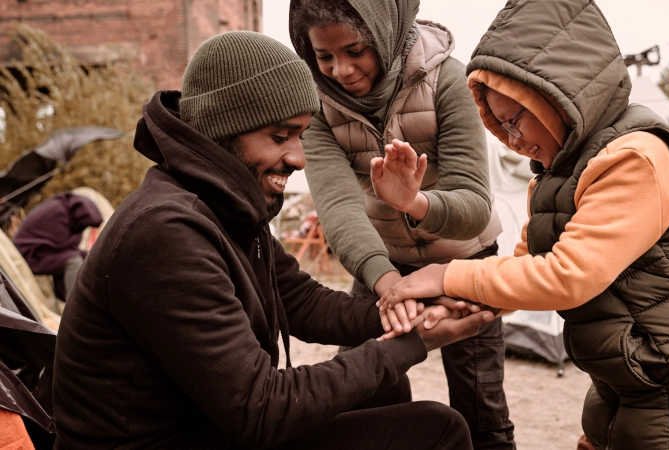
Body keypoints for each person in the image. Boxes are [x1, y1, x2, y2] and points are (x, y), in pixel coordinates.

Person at [376, 0, 669, 448]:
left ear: (558, 94)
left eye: (515, 118)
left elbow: (567, 275)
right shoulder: (562, 171)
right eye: (499, 125)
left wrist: (445, 273)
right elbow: (527, 267)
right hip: (646, 373)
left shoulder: (634, 158)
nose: (512, 138)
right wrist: (456, 304)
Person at [51, 31, 496, 450]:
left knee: (386, 382)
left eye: (301, 136)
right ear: (224, 132)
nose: (298, 158)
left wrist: (414, 314)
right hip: (158, 441)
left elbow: (301, 302)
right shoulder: (165, 232)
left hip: (205, 426)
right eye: (280, 136)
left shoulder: (223, 205)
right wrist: (414, 342)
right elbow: (259, 409)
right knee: (438, 430)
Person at [288, 1, 515, 447]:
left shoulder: (447, 79)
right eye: (324, 56)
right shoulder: (315, 104)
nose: (341, 70)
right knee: (359, 385)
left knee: (480, 406)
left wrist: (414, 202)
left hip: (463, 262)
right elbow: (338, 207)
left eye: (355, 51)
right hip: (383, 264)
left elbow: (474, 205)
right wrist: (387, 280)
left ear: (385, 32)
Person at [12, 191, 102, 302]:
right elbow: (62, 245)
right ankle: (74, 303)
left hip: (43, 251)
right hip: (29, 255)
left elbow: (69, 245)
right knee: (74, 260)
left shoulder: (67, 211)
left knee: (85, 256)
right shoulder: (58, 212)